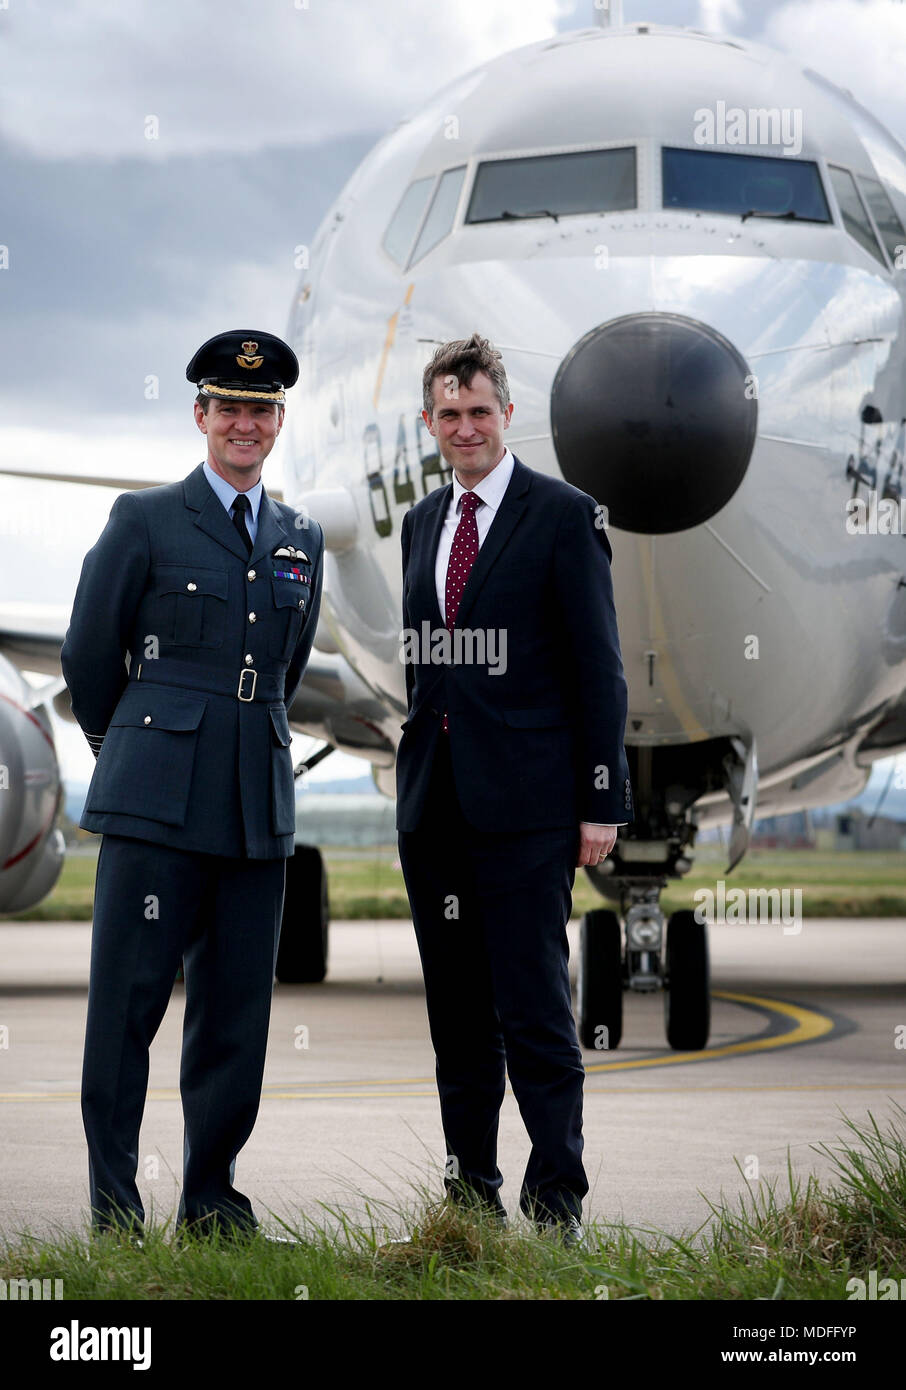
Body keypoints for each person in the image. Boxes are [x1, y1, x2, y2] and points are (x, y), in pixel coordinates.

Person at [60, 329, 323, 1241]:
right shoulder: (145, 519)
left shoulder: (301, 539)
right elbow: (88, 652)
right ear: (200, 415)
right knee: (126, 1011)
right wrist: (127, 745)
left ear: (278, 421)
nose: (245, 424)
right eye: (229, 408)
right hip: (155, 804)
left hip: (256, 807)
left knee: (234, 1019)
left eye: (262, 410)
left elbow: (283, 670)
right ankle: (114, 1209)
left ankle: (212, 1203)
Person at [396, 332, 633, 1242]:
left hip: (530, 809)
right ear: (431, 422)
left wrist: (601, 799)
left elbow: (598, 668)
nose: (465, 428)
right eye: (449, 415)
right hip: (436, 806)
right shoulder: (424, 522)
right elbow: (431, 665)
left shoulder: (563, 514)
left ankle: (557, 1200)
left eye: (479, 412)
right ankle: (470, 1200)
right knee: (457, 1021)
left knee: (534, 1011)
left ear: (506, 415)